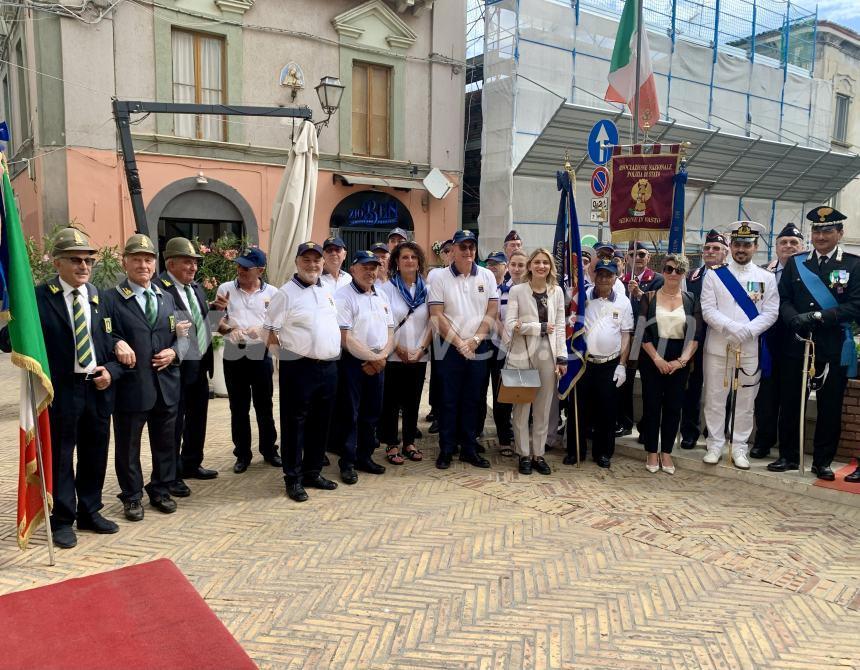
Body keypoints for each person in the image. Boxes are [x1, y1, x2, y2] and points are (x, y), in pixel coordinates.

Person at [0, 228, 121, 548]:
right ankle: (63, 517)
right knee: (62, 455)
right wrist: (15, 319)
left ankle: (90, 510)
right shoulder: (37, 298)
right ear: (57, 263)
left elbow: (113, 341)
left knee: (95, 453)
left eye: (89, 261)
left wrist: (111, 369)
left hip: (97, 388)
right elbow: (8, 341)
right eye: (75, 260)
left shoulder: (100, 297)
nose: (84, 266)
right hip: (60, 391)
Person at [769, 207, 860, 481]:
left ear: (839, 233)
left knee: (829, 406)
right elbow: (782, 298)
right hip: (797, 344)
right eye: (817, 231)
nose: (821, 236)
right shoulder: (797, 263)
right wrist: (793, 318)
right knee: (790, 402)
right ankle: (788, 455)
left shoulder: (853, 265)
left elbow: (856, 305)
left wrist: (820, 316)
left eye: (828, 230)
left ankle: (822, 461)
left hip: (831, 347)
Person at [105, 234, 186, 521]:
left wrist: (175, 353)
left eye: (148, 259)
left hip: (166, 385)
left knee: (166, 443)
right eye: (136, 259)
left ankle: (161, 489)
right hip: (132, 386)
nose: (143, 264)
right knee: (128, 446)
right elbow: (101, 334)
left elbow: (184, 338)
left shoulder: (167, 297)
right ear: (125, 262)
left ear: (155, 263)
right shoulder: (110, 299)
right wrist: (116, 342)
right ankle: (131, 496)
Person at [264, 242, 341, 502]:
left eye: (316, 260)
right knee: (295, 424)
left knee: (322, 423)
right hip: (298, 368)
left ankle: (313, 471)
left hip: (328, 367)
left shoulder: (327, 289)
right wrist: (286, 360)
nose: (312, 265)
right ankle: (293, 478)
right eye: (306, 260)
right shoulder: (285, 294)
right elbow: (269, 332)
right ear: (297, 262)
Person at [700, 222, 778, 469]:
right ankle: (714, 444)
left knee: (746, 402)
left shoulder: (766, 277)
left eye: (747, 245)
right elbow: (708, 309)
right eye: (737, 244)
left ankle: (740, 447)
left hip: (749, 347)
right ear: (730, 246)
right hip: (718, 347)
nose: (741, 249)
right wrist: (731, 328)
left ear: (755, 247)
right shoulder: (714, 275)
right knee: (714, 398)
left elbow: (771, 311)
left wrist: (748, 331)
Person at [428, 229, 498, 470]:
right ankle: (447, 449)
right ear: (453, 250)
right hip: (448, 347)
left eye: (471, 247)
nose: (468, 252)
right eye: (463, 247)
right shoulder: (438, 277)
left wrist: (476, 340)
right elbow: (436, 315)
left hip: (479, 346)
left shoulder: (487, 276)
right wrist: (460, 343)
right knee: (448, 400)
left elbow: (492, 311)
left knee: (474, 399)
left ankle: (469, 448)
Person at [153, 237, 218, 499]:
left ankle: (191, 462)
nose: (193, 267)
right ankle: (172, 475)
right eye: (187, 262)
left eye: (195, 262)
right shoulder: (160, 288)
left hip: (199, 364)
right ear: (170, 263)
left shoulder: (196, 289)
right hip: (176, 366)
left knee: (197, 418)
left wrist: (216, 313)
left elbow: (200, 321)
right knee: (173, 424)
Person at [212, 247, 281, 474]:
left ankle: (269, 450)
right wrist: (228, 329)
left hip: (260, 353)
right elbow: (216, 322)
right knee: (238, 408)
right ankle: (242, 454)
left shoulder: (273, 293)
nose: (240, 270)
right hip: (234, 352)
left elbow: (278, 327)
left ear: (260, 270)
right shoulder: (225, 289)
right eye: (239, 265)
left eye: (246, 267)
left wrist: (261, 330)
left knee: (264, 406)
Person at [634, 254, 702, 474]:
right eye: (669, 269)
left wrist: (682, 361)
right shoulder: (649, 296)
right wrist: (657, 359)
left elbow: (695, 334)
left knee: (674, 407)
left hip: (679, 357)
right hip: (653, 354)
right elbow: (641, 332)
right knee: (652, 405)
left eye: (678, 270)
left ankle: (666, 452)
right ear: (662, 271)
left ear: (683, 274)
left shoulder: (691, 298)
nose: (673, 274)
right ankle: (652, 451)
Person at [333, 250, 395, 484]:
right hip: (353, 363)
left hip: (378, 362)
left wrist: (383, 356)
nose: (370, 271)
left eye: (374, 267)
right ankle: (347, 462)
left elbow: (390, 331)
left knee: (372, 413)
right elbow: (344, 336)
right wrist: (372, 358)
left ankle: (365, 456)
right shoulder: (343, 296)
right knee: (350, 414)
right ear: (353, 269)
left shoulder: (381, 295)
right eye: (365, 267)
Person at [565, 259, 633, 468]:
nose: (604, 278)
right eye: (600, 274)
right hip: (583, 363)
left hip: (609, 364)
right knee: (579, 410)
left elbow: (625, 335)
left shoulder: (623, 302)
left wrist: (622, 364)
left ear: (615, 277)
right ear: (594, 275)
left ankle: (603, 452)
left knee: (607, 410)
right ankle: (576, 451)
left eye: (609, 275)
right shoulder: (582, 297)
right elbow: (570, 324)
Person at [505, 249, 567, 475]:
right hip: (522, 354)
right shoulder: (517, 291)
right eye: (537, 262)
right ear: (530, 266)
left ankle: (538, 453)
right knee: (522, 407)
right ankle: (523, 454)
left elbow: (559, 326)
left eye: (546, 263)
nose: (541, 266)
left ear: (550, 267)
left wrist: (562, 357)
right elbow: (511, 323)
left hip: (548, 355)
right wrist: (537, 327)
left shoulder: (557, 292)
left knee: (543, 407)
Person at [750, 223, 805, 460]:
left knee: (792, 398)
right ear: (776, 247)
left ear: (802, 247)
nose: (789, 246)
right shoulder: (763, 273)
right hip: (768, 344)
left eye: (794, 243)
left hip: (797, 343)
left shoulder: (810, 273)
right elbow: (754, 303)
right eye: (784, 242)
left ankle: (789, 451)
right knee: (765, 398)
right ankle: (763, 441)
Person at [379, 242, 431, 463]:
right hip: (393, 355)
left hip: (419, 355)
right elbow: (382, 324)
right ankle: (391, 444)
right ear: (396, 264)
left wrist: (420, 349)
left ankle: (409, 441)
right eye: (404, 258)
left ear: (419, 262)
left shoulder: (427, 290)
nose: (410, 261)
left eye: (413, 257)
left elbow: (432, 322)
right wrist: (398, 348)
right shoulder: (387, 289)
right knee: (391, 401)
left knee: (413, 400)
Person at [680, 230, 729, 449]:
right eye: (707, 248)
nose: (711, 251)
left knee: (719, 389)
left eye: (716, 248)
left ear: (725, 253)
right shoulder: (691, 277)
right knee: (692, 388)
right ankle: (689, 431)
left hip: (721, 339)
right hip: (695, 341)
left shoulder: (732, 277)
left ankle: (715, 433)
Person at [616, 242, 664, 438]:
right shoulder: (621, 280)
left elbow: (661, 306)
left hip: (647, 337)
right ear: (626, 258)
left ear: (649, 257)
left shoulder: (657, 279)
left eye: (642, 254)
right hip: (627, 336)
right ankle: (625, 422)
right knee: (624, 381)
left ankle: (647, 428)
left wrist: (640, 295)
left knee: (649, 383)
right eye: (632, 254)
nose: (637, 258)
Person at [480, 251, 515, 455]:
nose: (493, 267)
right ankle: (476, 432)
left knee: (502, 394)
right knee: (478, 391)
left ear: (505, 267)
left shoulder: (514, 290)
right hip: (483, 345)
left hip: (504, 348)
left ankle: (504, 438)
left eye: (497, 264)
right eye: (490, 264)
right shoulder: (482, 287)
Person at [425, 238, 454, 434]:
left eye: (454, 250)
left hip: (463, 335)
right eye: (447, 251)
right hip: (439, 333)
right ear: (443, 255)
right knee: (439, 375)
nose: (451, 253)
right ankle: (437, 412)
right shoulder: (436, 274)